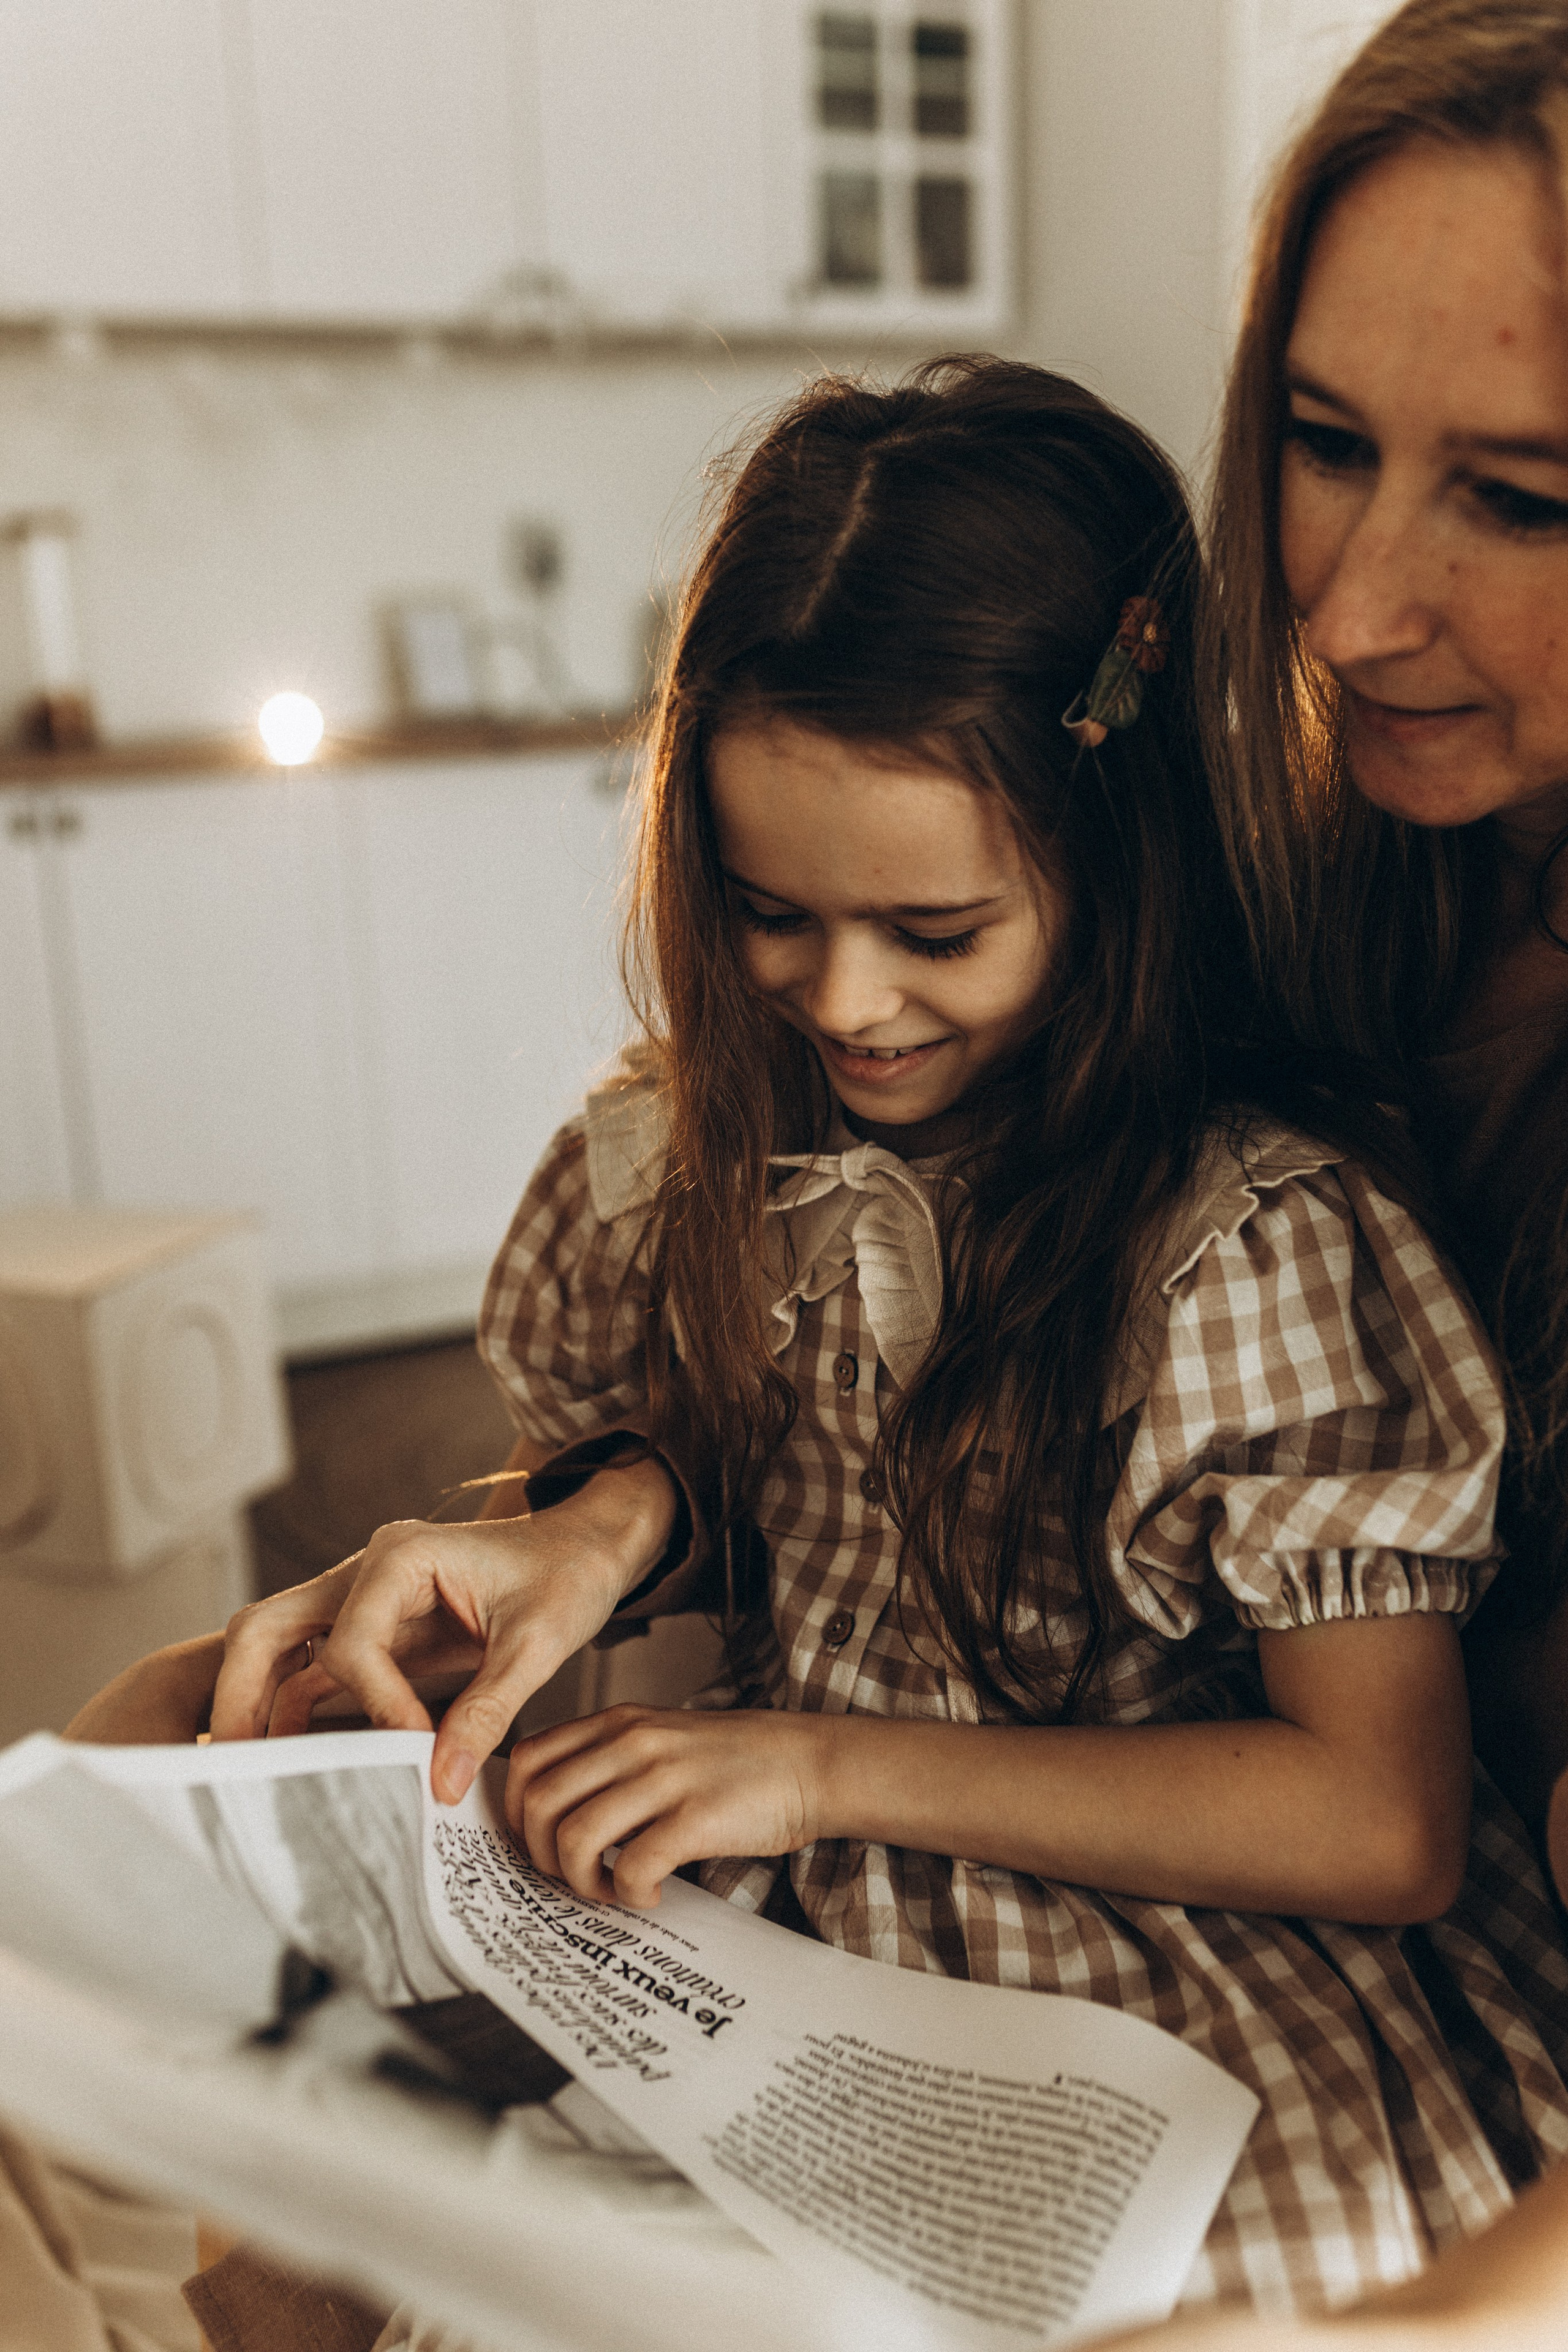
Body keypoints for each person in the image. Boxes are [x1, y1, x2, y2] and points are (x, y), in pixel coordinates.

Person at [191, 356, 1567, 2318]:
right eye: (773, 912)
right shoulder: (677, 1159)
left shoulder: (1245, 1247)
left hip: (1174, 1970)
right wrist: (582, 1531)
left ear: (1118, 867)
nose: (846, 1003)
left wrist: (821, 1766)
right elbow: (760, 1465)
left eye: (936, 934)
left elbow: (1383, 1817)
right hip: (770, 1941)